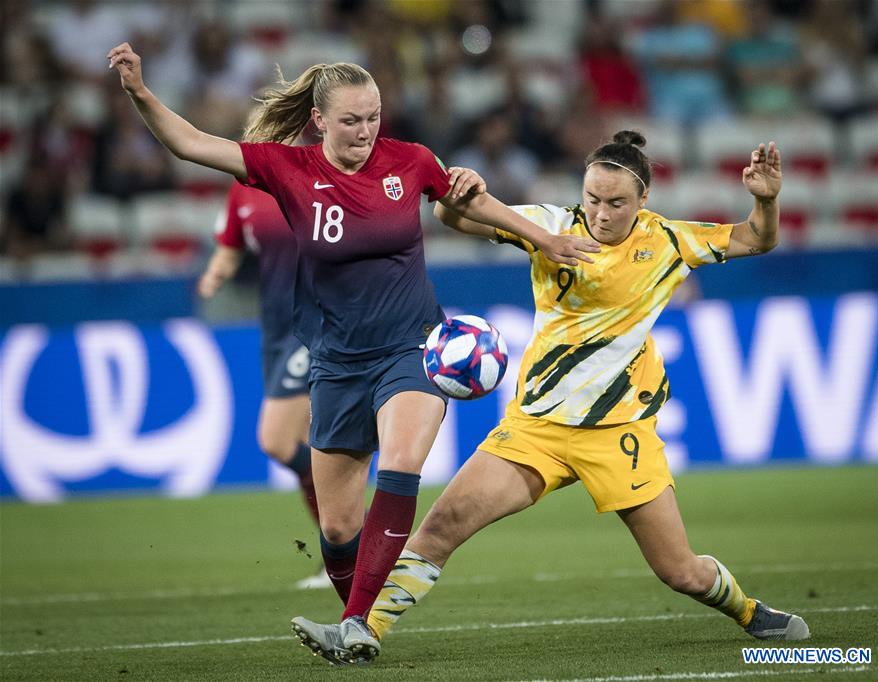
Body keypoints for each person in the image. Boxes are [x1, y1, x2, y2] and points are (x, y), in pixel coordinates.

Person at [107, 42, 599, 662]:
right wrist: (140, 94)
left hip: (413, 348)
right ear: (319, 120)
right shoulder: (286, 168)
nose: (366, 131)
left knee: (400, 464)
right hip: (336, 363)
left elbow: (463, 200)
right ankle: (356, 622)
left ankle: (359, 623)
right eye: (350, 120)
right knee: (338, 531)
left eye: (373, 116)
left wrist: (541, 238)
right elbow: (191, 144)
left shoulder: (411, 161)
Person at [292, 131, 810, 665]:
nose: (601, 214)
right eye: (592, 198)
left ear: (644, 201)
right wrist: (461, 195)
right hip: (535, 429)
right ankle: (362, 631)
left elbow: (756, 239)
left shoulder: (669, 242)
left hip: (618, 433)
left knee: (679, 570)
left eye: (616, 203)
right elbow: (457, 219)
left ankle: (749, 612)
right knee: (441, 527)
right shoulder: (550, 225)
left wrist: (765, 201)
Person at [197, 176, 328, 590]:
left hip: (315, 321)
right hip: (273, 327)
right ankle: (344, 555)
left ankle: (356, 536)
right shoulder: (243, 189)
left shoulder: (315, 173)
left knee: (275, 439)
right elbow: (231, 245)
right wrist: (216, 273)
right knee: (316, 443)